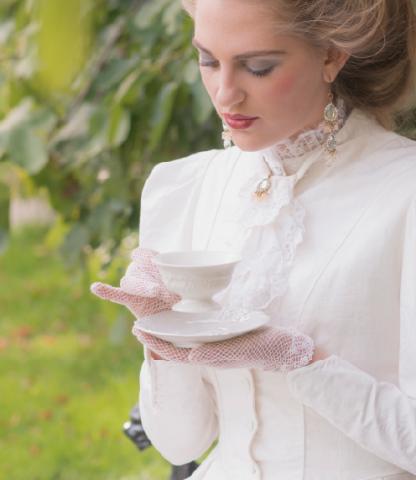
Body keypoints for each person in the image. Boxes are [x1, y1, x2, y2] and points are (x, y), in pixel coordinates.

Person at [91, 0, 416, 478]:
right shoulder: (182, 190)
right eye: (207, 59)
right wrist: (161, 334)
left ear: (331, 56)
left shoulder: (404, 192)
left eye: (258, 67)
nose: (225, 94)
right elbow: (182, 441)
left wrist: (301, 360)